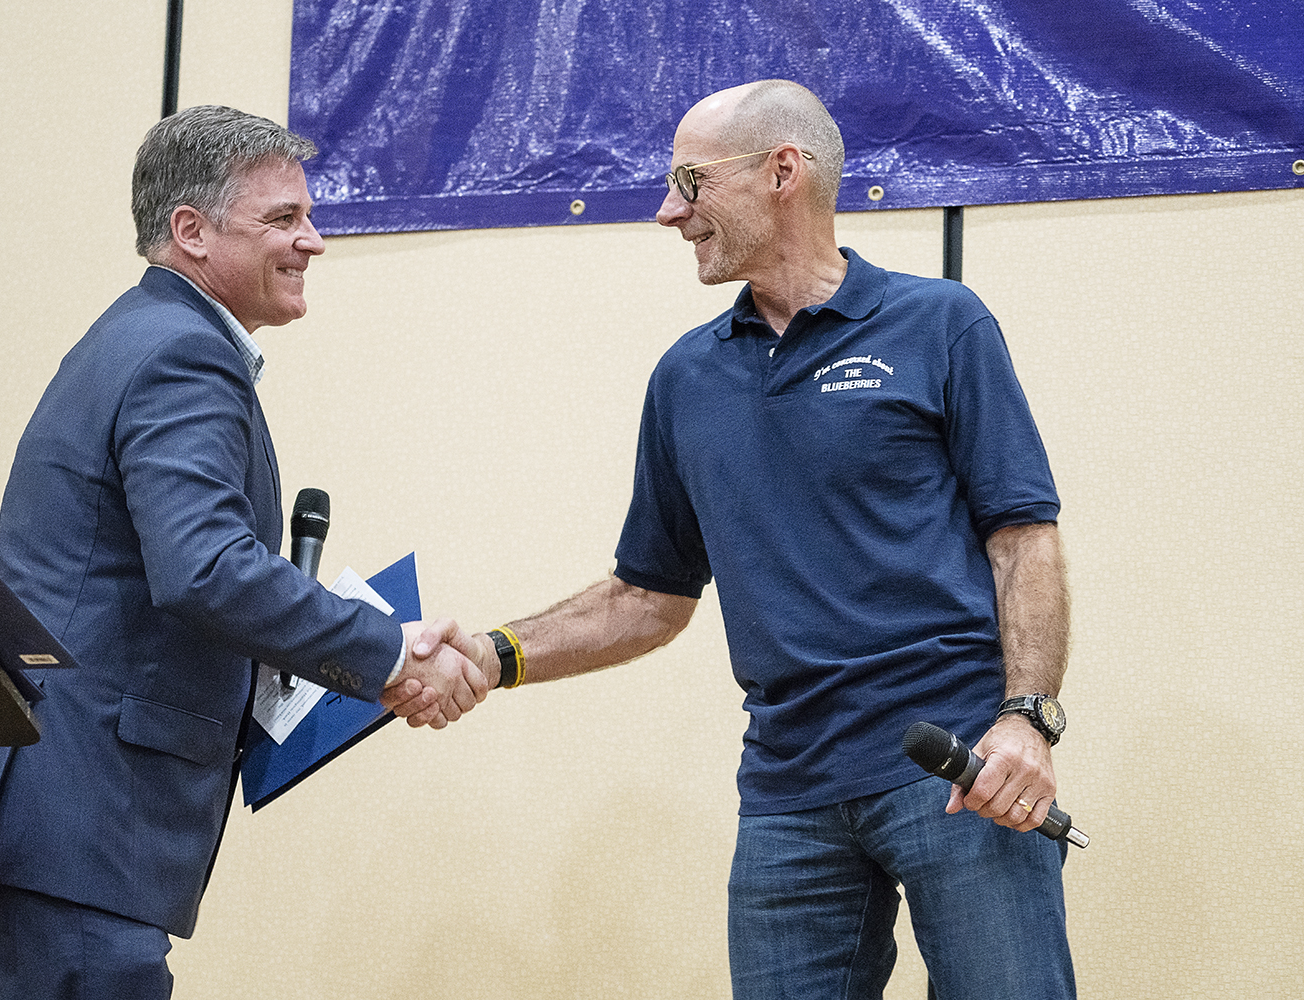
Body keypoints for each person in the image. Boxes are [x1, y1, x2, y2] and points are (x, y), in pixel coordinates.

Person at [420, 80, 1076, 998]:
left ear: (782, 171)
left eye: (690, 181)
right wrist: (497, 654)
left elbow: (1023, 540)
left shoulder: (941, 325)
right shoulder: (686, 378)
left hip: (957, 766)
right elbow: (647, 598)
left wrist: (1028, 720)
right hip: (788, 794)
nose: (667, 212)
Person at [0, 105, 485, 999]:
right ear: (190, 232)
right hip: (81, 827)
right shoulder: (182, 355)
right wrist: (388, 652)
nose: (313, 241)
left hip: (46, 827)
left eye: (307, 217)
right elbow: (204, 566)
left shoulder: (141, 334)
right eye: (283, 219)